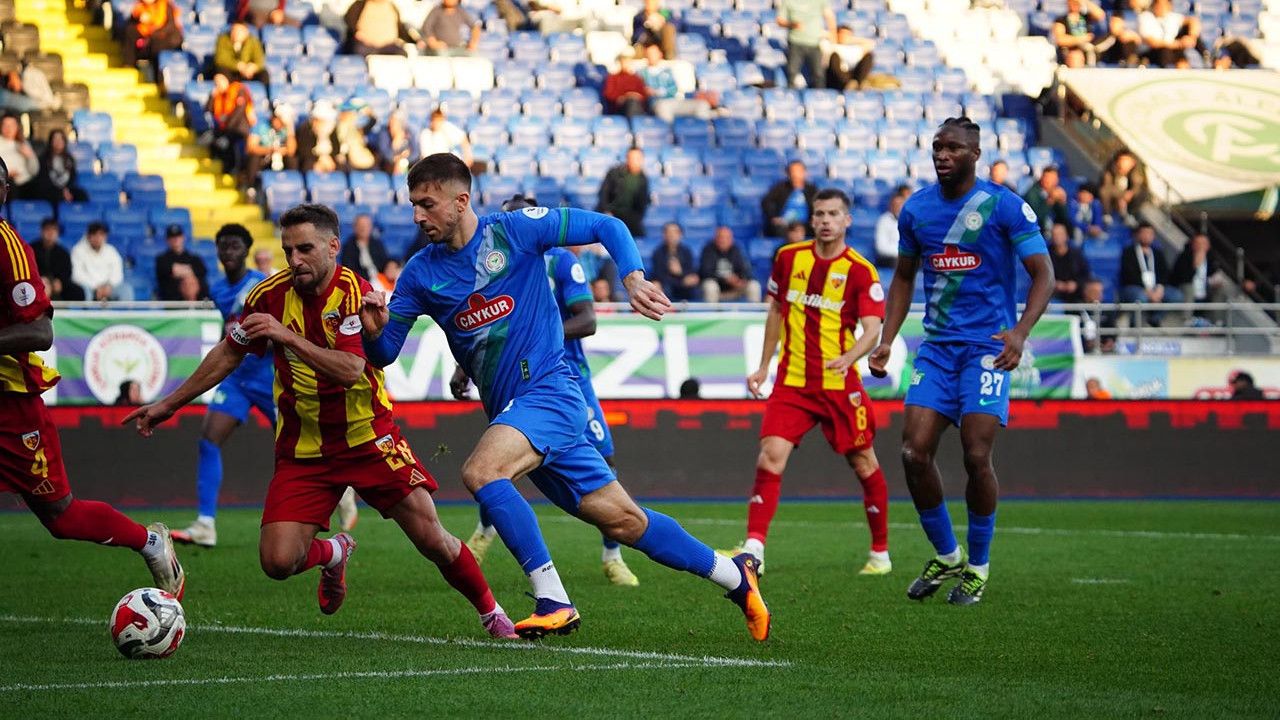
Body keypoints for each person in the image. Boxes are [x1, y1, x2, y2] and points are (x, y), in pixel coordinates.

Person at [360, 153, 770, 640]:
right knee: (625, 522)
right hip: (518, 413)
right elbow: (384, 353)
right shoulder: (418, 274)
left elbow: (607, 225)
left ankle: (552, 598)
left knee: (481, 471)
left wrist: (633, 277)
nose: (416, 216)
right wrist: (373, 328)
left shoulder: (513, 231)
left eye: (427, 204)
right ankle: (735, 576)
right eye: (412, 204)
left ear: (461, 201)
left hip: (550, 393)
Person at [126, 204, 515, 638]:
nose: (294, 260)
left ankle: (492, 613)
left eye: (305, 249)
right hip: (303, 447)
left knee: (431, 538)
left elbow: (350, 369)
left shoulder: (353, 292)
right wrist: (170, 404)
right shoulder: (267, 296)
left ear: (333, 247)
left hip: (368, 437)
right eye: (288, 251)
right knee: (277, 562)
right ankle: (333, 553)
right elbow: (229, 352)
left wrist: (284, 335)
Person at [868, 117, 1054, 606]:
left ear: (975, 154)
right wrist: (887, 338)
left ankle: (978, 566)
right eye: (937, 147)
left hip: (988, 347)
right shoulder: (917, 210)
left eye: (952, 148)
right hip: (937, 348)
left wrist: (1019, 331)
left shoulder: (1005, 205)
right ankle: (948, 555)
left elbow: (1044, 274)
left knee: (975, 454)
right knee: (913, 453)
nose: (942, 155)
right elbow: (903, 278)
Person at [0, 155, 185, 600]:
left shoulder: (9, 248)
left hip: (11, 406)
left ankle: (150, 542)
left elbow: (40, 331)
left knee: (62, 517)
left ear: (5, 192)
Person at [458, 192, 641, 588]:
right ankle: (485, 532)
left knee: (605, 459)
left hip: (568, 376)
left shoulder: (561, 262)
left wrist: (540, 335)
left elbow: (587, 320)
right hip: (517, 382)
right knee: (500, 463)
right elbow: (483, 327)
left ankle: (613, 556)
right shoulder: (490, 267)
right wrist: (463, 367)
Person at [734, 187, 891, 577]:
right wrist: (763, 365)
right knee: (770, 454)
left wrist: (851, 357)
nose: (825, 221)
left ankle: (880, 553)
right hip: (793, 382)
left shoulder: (860, 270)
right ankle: (754, 547)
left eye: (833, 214)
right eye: (819, 214)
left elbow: (873, 328)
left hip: (839, 384)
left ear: (847, 220)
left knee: (864, 462)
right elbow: (775, 311)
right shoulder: (788, 258)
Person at [1119, 222, 1183, 326]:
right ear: (1137, 235)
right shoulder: (1128, 252)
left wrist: (1160, 288)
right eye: (1144, 233)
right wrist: (1148, 292)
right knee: (1140, 297)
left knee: (1176, 295)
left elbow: (1164, 273)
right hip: (1136, 287)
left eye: (1150, 233)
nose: (1147, 236)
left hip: (1155, 288)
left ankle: (1155, 319)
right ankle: (1135, 324)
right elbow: (1129, 275)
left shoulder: (1158, 253)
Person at [778, 0, 836, 89]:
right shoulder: (788, 1)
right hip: (795, 42)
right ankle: (790, 95)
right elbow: (780, 20)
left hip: (815, 43)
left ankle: (819, 95)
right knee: (792, 72)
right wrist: (792, 24)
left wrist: (833, 35)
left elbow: (829, 17)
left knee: (819, 74)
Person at [207, 72, 255, 177]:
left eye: (220, 82)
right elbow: (208, 110)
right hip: (224, 129)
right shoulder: (218, 95)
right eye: (216, 83)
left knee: (226, 141)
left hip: (239, 128)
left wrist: (227, 128)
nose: (218, 85)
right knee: (212, 139)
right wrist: (212, 96)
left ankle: (234, 170)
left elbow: (239, 111)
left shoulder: (238, 89)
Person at [240, 106, 298, 191]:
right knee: (254, 158)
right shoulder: (260, 124)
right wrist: (270, 150)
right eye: (279, 120)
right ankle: (251, 187)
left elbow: (291, 150)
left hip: (279, 159)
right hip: (263, 159)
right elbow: (250, 147)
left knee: (292, 160)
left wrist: (290, 130)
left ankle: (292, 187)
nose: (280, 124)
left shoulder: (287, 128)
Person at [1171, 232, 1225, 320]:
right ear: (1193, 245)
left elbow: (1214, 274)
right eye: (1198, 243)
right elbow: (1182, 278)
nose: (1201, 246)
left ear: (1208, 246)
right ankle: (1186, 319)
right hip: (1186, 288)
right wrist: (1195, 265)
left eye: (1204, 244)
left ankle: (1217, 321)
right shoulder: (1184, 256)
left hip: (1204, 289)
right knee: (1189, 289)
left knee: (1220, 290)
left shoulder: (1210, 258)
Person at [597, 147, 650, 238]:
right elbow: (603, 193)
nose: (634, 161)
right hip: (611, 213)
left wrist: (637, 219)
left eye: (637, 158)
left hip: (630, 217)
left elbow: (642, 204)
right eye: (631, 158)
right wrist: (606, 211)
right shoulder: (614, 173)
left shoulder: (643, 179)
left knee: (640, 236)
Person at [699, 226, 761, 303]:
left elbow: (745, 269)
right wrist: (725, 279)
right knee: (710, 286)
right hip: (717, 287)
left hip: (735, 287)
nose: (723, 240)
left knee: (754, 285)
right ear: (715, 238)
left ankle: (754, 310)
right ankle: (712, 310)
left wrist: (740, 279)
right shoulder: (708, 250)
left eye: (727, 238)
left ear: (731, 239)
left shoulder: (736, 250)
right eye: (721, 237)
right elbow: (705, 272)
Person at [71, 222, 131, 301]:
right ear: (88, 236)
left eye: (101, 234)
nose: (98, 238)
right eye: (94, 234)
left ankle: (125, 310)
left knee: (126, 290)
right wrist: (96, 287)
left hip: (109, 288)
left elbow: (117, 274)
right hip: (89, 287)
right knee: (84, 292)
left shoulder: (111, 251)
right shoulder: (78, 251)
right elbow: (77, 275)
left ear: (105, 236)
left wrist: (108, 286)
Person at [29, 218, 84, 301]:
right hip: (37, 282)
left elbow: (67, 271)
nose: (50, 233)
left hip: (57, 283)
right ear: (42, 231)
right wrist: (40, 280)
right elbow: (29, 269)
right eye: (47, 229)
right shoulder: (31, 249)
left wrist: (61, 282)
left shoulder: (63, 252)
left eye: (54, 230)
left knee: (78, 292)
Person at [28, 129, 85, 206]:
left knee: (82, 195)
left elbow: (72, 179)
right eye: (55, 139)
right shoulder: (43, 159)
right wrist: (61, 191)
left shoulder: (70, 159)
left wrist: (66, 190)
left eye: (61, 139)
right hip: (50, 190)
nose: (58, 142)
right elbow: (43, 182)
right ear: (51, 142)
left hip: (66, 189)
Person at [1138, 0, 1201, 68]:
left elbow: (1193, 21)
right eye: (1159, 5)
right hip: (1152, 53)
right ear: (1153, 5)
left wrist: (1192, 37)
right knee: (1165, 51)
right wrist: (1179, 44)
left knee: (1188, 32)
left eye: (1164, 5)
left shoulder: (1172, 17)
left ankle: (1206, 57)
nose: (1161, 7)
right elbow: (1152, 42)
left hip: (1172, 49)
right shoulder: (1145, 17)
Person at [762, 160, 817, 238]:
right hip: (785, 224)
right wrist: (774, 217)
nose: (795, 175)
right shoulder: (780, 188)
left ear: (805, 173)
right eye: (792, 171)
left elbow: (819, 206)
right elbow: (766, 202)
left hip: (806, 224)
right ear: (788, 174)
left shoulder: (812, 190)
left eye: (798, 171)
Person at [155, 225, 209, 302]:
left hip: (197, 303)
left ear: (183, 237)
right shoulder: (162, 259)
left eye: (178, 236)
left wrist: (180, 271)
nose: (176, 239)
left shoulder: (195, 259)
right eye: (172, 237)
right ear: (167, 240)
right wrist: (189, 271)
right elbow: (166, 271)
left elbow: (202, 273)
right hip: (172, 302)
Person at [122, 0, 183, 68]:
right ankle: (129, 64)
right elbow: (132, 23)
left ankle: (157, 71)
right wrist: (139, 18)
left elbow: (170, 27)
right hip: (148, 40)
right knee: (130, 30)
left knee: (157, 43)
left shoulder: (165, 5)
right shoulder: (139, 6)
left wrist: (150, 36)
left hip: (166, 40)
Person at [343, 0, 413, 56]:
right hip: (366, 45)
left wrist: (414, 40)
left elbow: (401, 29)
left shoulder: (392, 7)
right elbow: (349, 19)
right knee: (358, 53)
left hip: (389, 46)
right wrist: (356, 32)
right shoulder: (360, 5)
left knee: (401, 54)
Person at [650, 221, 699, 302]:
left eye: (674, 232)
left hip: (684, 285)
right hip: (666, 285)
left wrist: (680, 272)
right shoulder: (658, 252)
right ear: (664, 235)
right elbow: (658, 274)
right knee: (656, 285)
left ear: (680, 235)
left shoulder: (686, 251)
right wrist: (678, 279)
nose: (671, 235)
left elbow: (690, 272)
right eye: (668, 232)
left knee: (693, 281)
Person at [1052, 0, 1108, 66]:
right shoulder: (1061, 20)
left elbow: (1100, 15)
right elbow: (1060, 39)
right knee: (1075, 57)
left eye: (1077, 3)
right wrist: (1080, 39)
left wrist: (1085, 1)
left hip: (1087, 53)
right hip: (1069, 55)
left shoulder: (1085, 17)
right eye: (1073, 2)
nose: (1075, 5)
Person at [1099, 150, 1146, 224]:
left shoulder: (1134, 172)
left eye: (1128, 163)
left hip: (1127, 198)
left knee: (1141, 193)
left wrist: (1131, 193)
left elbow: (1137, 185)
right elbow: (1107, 185)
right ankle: (1106, 214)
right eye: (1123, 161)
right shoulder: (1110, 170)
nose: (1125, 165)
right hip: (1113, 196)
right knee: (1104, 191)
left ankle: (1130, 214)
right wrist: (1121, 195)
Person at [1022, 165, 1071, 237]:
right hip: (1037, 231)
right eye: (1047, 177)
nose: (1049, 181)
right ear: (1042, 177)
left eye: (1053, 178)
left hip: (1054, 230)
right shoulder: (1032, 193)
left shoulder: (1057, 191)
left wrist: (1062, 202)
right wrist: (1050, 200)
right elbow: (1036, 217)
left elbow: (1064, 218)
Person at [339, 213, 390, 282]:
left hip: (380, 278)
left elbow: (385, 261)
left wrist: (391, 265)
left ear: (371, 227)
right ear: (355, 227)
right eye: (361, 226)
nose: (363, 228)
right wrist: (369, 275)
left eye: (367, 226)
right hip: (362, 281)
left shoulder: (377, 243)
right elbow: (350, 270)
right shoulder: (348, 246)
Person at [1048, 222, 1090, 303]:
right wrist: (1055, 284)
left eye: (1060, 234)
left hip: (1076, 293)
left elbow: (1086, 275)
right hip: (1053, 293)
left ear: (1066, 236)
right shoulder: (1046, 255)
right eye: (1054, 235)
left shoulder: (1076, 254)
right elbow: (1040, 276)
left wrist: (1076, 284)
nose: (1057, 237)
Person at [825, 25, 875, 90]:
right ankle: (847, 84)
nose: (844, 36)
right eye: (841, 34)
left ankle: (858, 83)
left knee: (869, 56)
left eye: (847, 34)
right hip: (835, 78)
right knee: (834, 56)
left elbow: (871, 44)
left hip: (850, 75)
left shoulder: (854, 49)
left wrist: (852, 39)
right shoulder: (830, 45)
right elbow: (821, 35)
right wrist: (833, 35)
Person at [0, 115, 38, 196]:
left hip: (26, 183)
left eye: (12, 125)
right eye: (5, 125)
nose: (8, 128)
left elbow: (34, 171)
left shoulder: (23, 143)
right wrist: (6, 174)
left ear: (17, 127)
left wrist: (30, 156)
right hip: (6, 183)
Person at [602, 53, 650, 118]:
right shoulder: (613, 77)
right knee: (631, 102)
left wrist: (637, 95)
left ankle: (635, 121)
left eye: (628, 62)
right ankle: (634, 121)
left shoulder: (637, 78)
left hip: (636, 103)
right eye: (624, 62)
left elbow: (643, 93)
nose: (626, 64)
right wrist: (622, 97)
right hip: (620, 105)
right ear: (620, 63)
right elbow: (609, 93)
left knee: (633, 102)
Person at [874, 185, 910, 267]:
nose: (899, 207)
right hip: (891, 259)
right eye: (896, 204)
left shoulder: (910, 220)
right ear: (891, 205)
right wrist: (902, 251)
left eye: (901, 204)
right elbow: (881, 247)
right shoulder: (883, 220)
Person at [373, 110, 418, 175]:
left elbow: (415, 153)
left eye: (394, 123)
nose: (390, 125)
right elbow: (385, 154)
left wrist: (403, 160)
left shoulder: (409, 132)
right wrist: (395, 144)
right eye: (390, 122)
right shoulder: (384, 132)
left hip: (407, 164)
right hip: (388, 166)